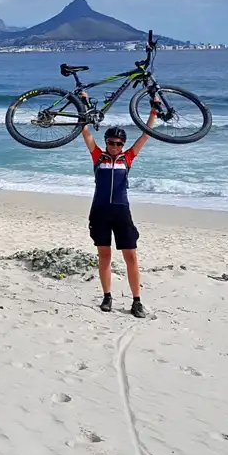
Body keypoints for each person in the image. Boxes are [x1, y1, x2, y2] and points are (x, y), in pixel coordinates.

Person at [80, 94, 159, 318]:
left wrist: (154, 109)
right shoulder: (98, 156)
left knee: (130, 256)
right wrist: (84, 103)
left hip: (122, 212)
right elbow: (85, 131)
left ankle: (136, 301)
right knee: (104, 255)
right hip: (100, 211)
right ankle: (107, 296)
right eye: (111, 143)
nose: (115, 147)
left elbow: (146, 134)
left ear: (123, 145)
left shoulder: (128, 158)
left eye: (119, 144)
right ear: (106, 142)